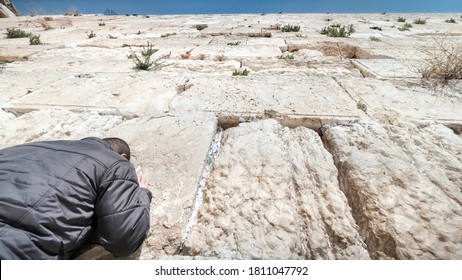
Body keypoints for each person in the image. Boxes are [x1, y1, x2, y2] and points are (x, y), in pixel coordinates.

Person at [0, 137, 152, 259]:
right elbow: (124, 239)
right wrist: (141, 193)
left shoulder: (20, 149)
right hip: (16, 249)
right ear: (123, 156)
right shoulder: (115, 162)